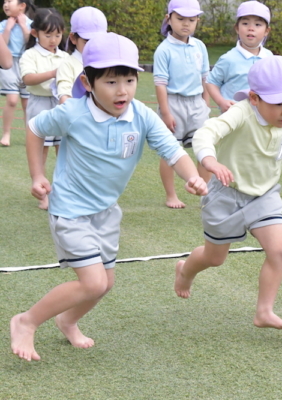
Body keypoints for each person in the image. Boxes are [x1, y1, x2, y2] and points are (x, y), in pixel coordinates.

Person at [11, 32, 207, 362]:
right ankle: (26, 321)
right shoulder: (73, 112)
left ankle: (67, 321)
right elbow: (35, 128)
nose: (122, 90)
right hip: (70, 210)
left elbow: (172, 150)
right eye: (111, 82)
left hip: (106, 211)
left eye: (129, 80)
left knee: (105, 283)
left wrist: (193, 176)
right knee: (92, 282)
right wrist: (38, 175)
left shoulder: (141, 115)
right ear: (87, 83)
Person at [175, 56, 282, 329]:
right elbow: (206, 133)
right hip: (225, 195)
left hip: (265, 196)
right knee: (214, 258)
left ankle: (264, 311)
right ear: (254, 98)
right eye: (279, 104)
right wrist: (210, 161)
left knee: (280, 250)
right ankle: (185, 271)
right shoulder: (240, 113)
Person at [154, 0, 211, 208]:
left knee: (205, 149)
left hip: (197, 104)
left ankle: (205, 193)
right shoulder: (164, 50)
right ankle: (171, 195)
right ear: (169, 19)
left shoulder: (200, 46)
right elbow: (160, 85)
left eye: (191, 19)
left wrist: (205, 104)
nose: (186, 24)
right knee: (170, 151)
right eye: (180, 19)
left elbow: (205, 78)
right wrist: (166, 113)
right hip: (173, 104)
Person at [19, 8, 68, 210]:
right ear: (35, 33)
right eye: (48, 35)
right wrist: (53, 73)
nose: (53, 40)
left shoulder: (65, 56)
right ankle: (43, 194)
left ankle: (63, 192)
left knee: (64, 149)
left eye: (58, 35)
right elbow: (28, 78)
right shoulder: (30, 55)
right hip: (39, 104)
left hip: (61, 104)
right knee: (42, 151)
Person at [206, 0, 272, 114]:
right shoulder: (228, 59)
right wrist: (221, 102)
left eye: (257, 24)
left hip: (261, 116)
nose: (251, 28)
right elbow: (211, 82)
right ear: (237, 28)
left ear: (266, 31)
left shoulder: (269, 57)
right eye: (245, 23)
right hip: (233, 116)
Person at [0, 0, 34, 147]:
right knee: (12, 100)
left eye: (10, 1)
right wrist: (8, 28)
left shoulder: (32, 24)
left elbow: (31, 43)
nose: (6, 4)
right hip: (8, 64)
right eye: (4, 1)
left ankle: (30, 135)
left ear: (22, 6)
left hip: (26, 64)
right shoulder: (3, 24)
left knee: (27, 103)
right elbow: (2, 44)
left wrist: (23, 26)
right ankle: (6, 134)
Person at [56, 6, 107, 104]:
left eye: (98, 40)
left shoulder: (108, 62)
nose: (93, 45)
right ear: (73, 38)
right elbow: (64, 97)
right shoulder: (67, 65)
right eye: (87, 41)